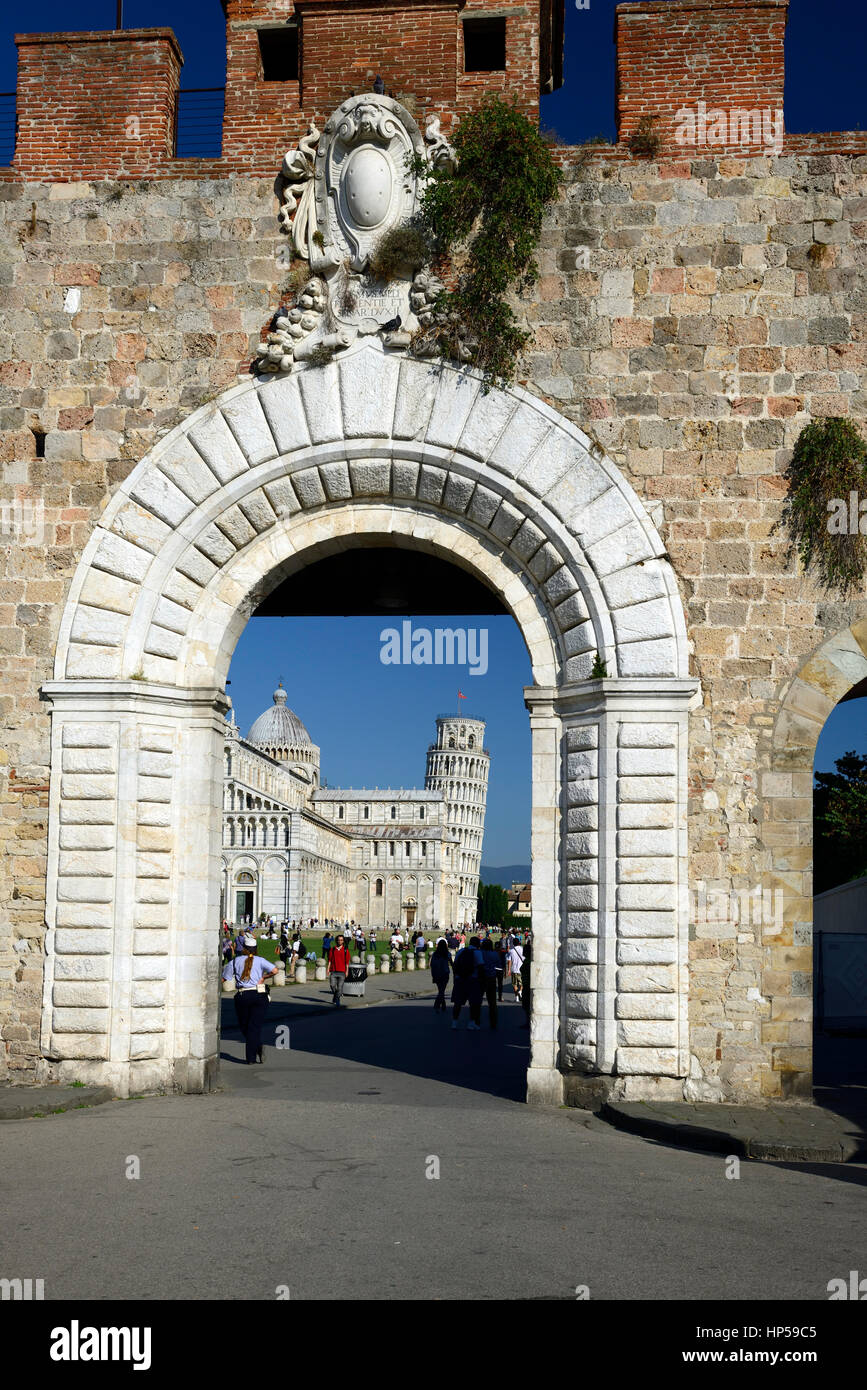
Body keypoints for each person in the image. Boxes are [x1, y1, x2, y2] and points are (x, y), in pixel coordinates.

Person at [221, 932, 278, 1064]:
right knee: (254, 1027)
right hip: (259, 995)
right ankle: (257, 1046)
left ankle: (250, 1058)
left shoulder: (235, 961)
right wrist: (263, 978)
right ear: (256, 949)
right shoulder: (260, 960)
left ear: (243, 948)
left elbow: (224, 978)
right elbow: (275, 971)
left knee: (246, 1026)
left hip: (243, 995)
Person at [451, 936, 484, 1030]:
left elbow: (455, 964)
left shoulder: (461, 951)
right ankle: (471, 1023)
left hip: (460, 979)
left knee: (457, 1002)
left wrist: (456, 977)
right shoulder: (478, 953)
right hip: (472, 979)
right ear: (477, 944)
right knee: (473, 1003)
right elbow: (480, 967)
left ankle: (454, 1022)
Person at [479, 937, 500, 1029]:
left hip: (481, 977)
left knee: (478, 1000)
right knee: (492, 1002)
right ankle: (493, 1022)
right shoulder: (495, 954)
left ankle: (476, 1021)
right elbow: (499, 967)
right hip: (491, 977)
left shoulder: (480, 953)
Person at [327, 932, 352, 1007]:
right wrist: (328, 969)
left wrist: (347, 971)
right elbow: (330, 960)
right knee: (332, 985)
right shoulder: (332, 949)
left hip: (342, 972)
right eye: (338, 940)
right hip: (334, 971)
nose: (340, 941)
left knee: (340, 988)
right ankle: (336, 996)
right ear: (336, 941)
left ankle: (337, 999)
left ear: (343, 941)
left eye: (341, 940)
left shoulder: (345, 950)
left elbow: (347, 962)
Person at [430, 939, 451, 1011]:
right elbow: (452, 963)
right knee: (442, 990)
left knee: (441, 990)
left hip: (437, 973)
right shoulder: (447, 953)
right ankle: (438, 1004)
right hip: (445, 973)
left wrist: (433, 974)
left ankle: (442, 1005)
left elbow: (432, 965)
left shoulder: (435, 954)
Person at [508, 939, 524, 1004]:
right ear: (519, 943)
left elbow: (509, 960)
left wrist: (508, 969)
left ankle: (516, 998)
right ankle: (520, 991)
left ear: (513, 944)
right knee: (522, 983)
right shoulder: (522, 949)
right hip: (521, 969)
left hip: (514, 969)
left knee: (514, 984)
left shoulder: (511, 951)